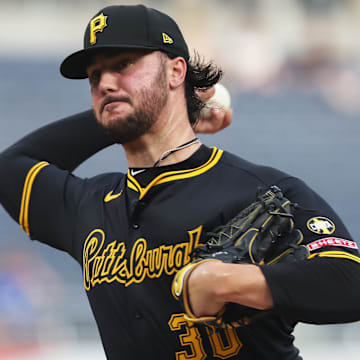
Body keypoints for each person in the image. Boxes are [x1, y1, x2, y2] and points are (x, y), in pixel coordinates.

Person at [0, 4, 359, 360]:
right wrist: (139, 107)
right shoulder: (87, 205)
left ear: (175, 71)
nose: (105, 83)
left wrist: (232, 282)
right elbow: (10, 168)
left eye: (123, 65)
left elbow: (350, 282)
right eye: (95, 76)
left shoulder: (259, 190)